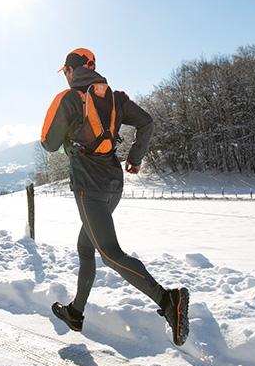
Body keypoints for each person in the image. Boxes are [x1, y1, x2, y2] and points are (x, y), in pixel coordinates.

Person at [40, 47, 190, 346]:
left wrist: (67, 130)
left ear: (71, 71)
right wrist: (135, 158)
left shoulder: (68, 98)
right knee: (86, 246)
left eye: (66, 72)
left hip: (88, 188)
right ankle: (76, 311)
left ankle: (168, 299)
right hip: (114, 187)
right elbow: (146, 122)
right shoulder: (116, 97)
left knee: (109, 253)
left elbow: (48, 143)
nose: (66, 77)